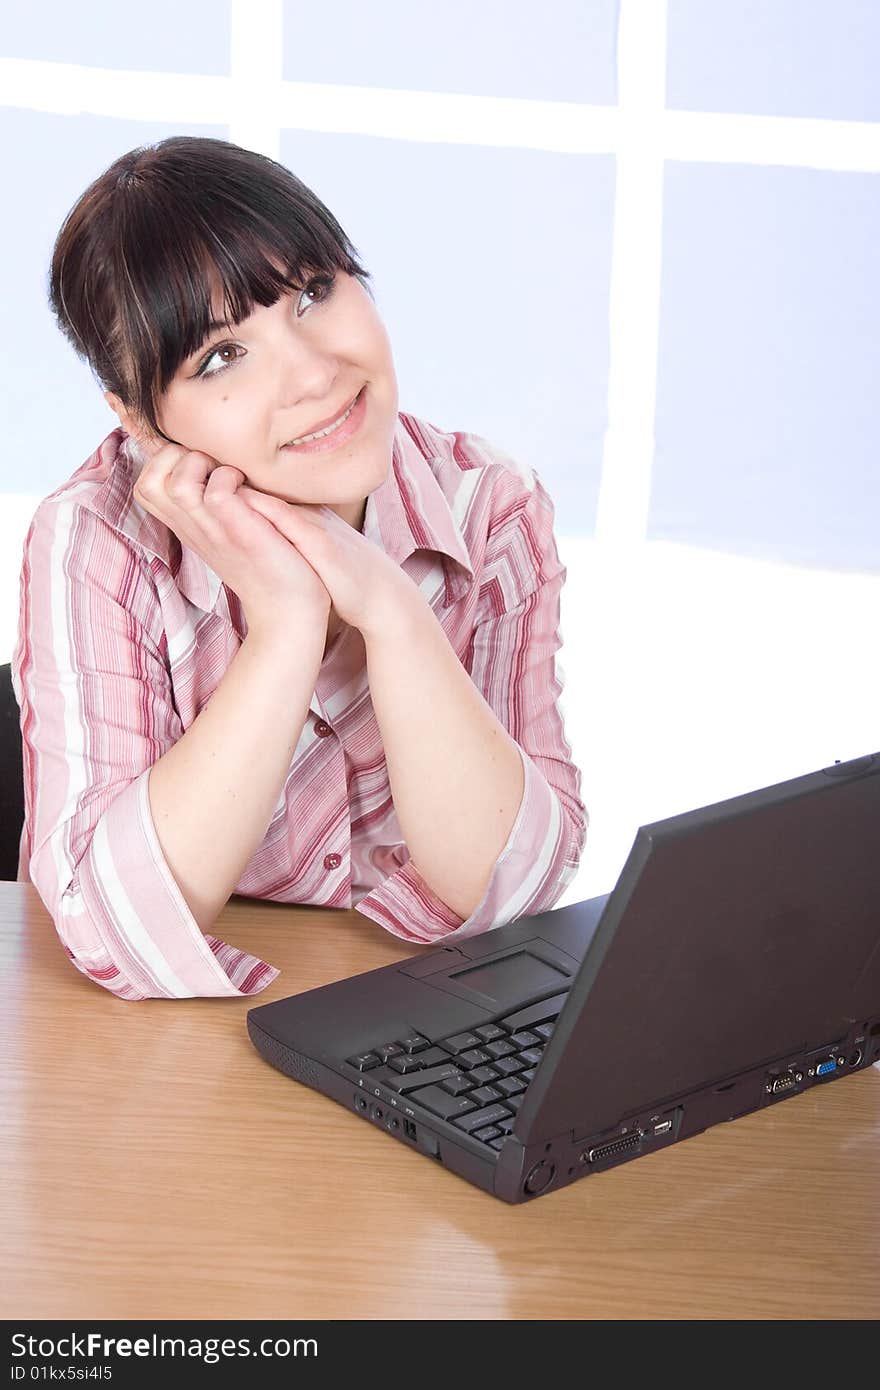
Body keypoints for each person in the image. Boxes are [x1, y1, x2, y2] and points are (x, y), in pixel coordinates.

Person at [12, 136, 587, 1001]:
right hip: (159, 1067)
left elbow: (518, 888)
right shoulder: (94, 539)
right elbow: (109, 928)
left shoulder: (491, 509)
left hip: (413, 1018)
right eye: (220, 357)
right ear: (140, 419)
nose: (316, 375)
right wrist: (285, 622)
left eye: (314, 292)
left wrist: (390, 609)